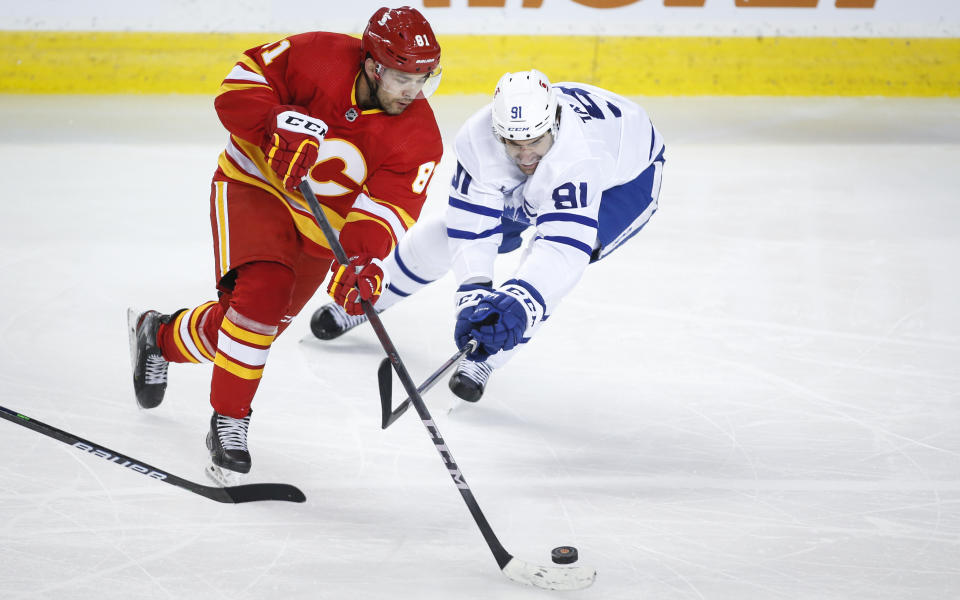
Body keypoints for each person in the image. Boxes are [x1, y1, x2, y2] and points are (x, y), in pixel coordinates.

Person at [127, 6, 443, 483]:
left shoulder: (420, 138)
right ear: (374, 64)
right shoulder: (316, 54)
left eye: (423, 78)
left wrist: (360, 261)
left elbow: (387, 210)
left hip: (320, 232)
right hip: (256, 186)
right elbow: (234, 94)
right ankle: (229, 422)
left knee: (250, 333)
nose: (412, 91)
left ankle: (160, 337)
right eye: (402, 77)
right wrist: (274, 122)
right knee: (260, 301)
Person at [310, 69, 665, 402]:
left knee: (546, 278)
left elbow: (561, 251)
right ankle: (377, 297)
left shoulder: (579, 157)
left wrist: (521, 301)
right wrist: (471, 297)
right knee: (448, 231)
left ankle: (486, 357)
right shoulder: (480, 139)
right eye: (513, 142)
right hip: (566, 162)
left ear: (554, 124)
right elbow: (469, 229)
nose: (526, 155)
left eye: (535, 141)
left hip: (625, 181)